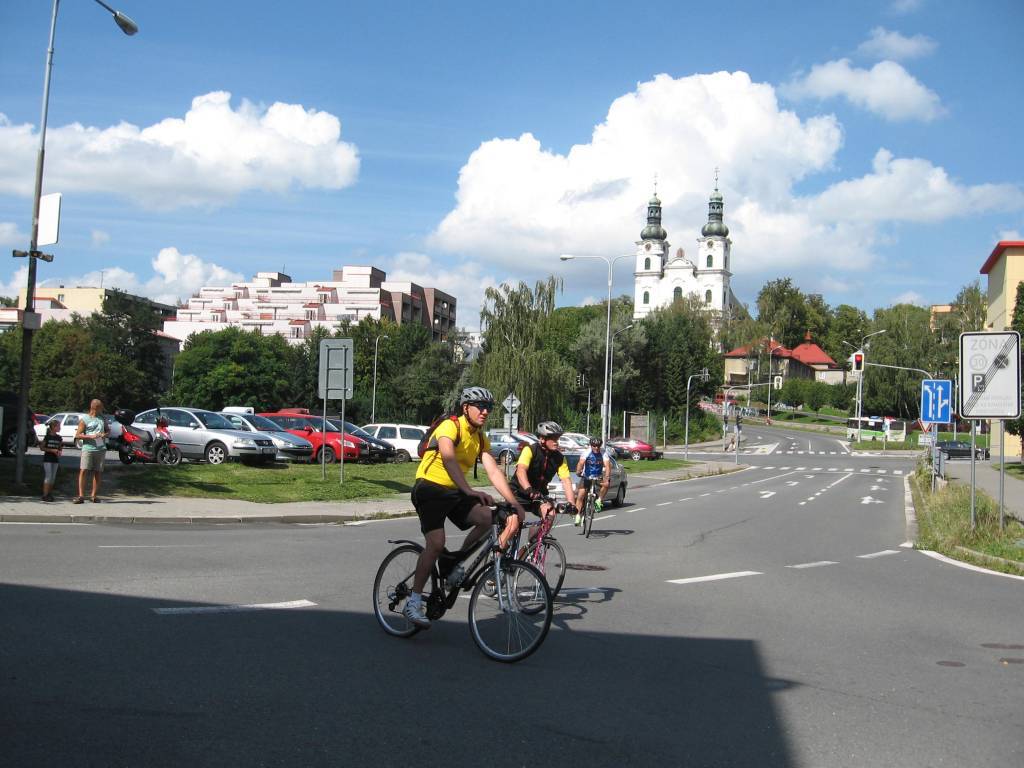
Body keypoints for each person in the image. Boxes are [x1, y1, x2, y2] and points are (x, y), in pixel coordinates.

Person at [405, 386, 528, 629]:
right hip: (430, 488)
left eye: (488, 407)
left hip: (455, 492)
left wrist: (514, 503)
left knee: (489, 518)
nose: (485, 411)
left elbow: (493, 471)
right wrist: (469, 490)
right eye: (480, 406)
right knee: (436, 543)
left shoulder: (480, 437)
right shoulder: (450, 426)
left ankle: (454, 564)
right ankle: (413, 601)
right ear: (465, 408)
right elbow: (449, 459)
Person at [510, 421, 576, 552]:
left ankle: (529, 548)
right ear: (542, 439)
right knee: (513, 524)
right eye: (553, 439)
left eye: (558, 438)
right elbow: (521, 470)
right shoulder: (530, 450)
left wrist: (571, 503)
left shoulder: (559, 458)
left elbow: (566, 480)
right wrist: (528, 488)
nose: (556, 442)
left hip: (538, 495)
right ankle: (499, 554)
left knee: (550, 513)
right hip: (518, 492)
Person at [73, 399, 108, 504]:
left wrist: (104, 434)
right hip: (88, 448)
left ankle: (94, 496)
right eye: (101, 407)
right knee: (84, 470)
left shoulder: (102, 418)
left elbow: (108, 430)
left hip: (100, 448)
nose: (102, 409)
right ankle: (81, 496)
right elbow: (78, 435)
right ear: (95, 407)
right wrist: (90, 436)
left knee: (98, 471)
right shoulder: (85, 419)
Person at [574, 436, 611, 525]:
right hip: (587, 476)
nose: (596, 448)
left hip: (598, 476)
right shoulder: (586, 452)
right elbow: (581, 463)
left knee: (606, 484)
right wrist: (578, 472)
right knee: (580, 495)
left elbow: (607, 466)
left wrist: (607, 477)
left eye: (598, 446)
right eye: (594, 446)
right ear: (591, 445)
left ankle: (599, 500)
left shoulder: (603, 453)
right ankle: (578, 515)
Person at [38, 419, 63, 501]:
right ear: (53, 427)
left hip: (55, 459)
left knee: (53, 477)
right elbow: (42, 448)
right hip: (47, 459)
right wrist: (52, 450)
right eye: (58, 426)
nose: (60, 428)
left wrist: (59, 452)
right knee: (48, 476)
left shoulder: (59, 438)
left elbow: (60, 448)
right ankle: (45, 495)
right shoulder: (47, 437)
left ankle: (49, 493)